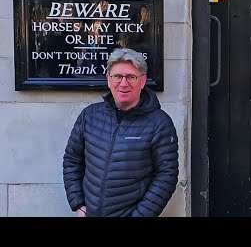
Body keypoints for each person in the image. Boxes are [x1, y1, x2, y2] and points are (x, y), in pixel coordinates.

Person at [62, 47, 179, 217]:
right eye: (117, 76)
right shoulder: (90, 115)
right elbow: (72, 160)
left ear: (143, 80)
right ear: (109, 80)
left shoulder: (159, 123)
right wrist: (78, 205)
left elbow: (166, 176)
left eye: (131, 77)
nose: (123, 83)